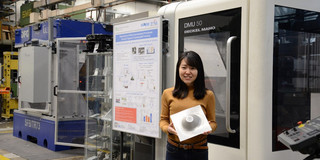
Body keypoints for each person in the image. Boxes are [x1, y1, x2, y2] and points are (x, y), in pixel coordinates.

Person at [160, 51, 217, 160]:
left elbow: (213, 122)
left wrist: (210, 128)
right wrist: (168, 128)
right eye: (184, 67)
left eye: (192, 68)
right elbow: (163, 120)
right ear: (178, 69)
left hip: (199, 149)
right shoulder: (167, 93)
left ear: (198, 71)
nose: (187, 72)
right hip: (174, 149)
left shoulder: (208, 95)